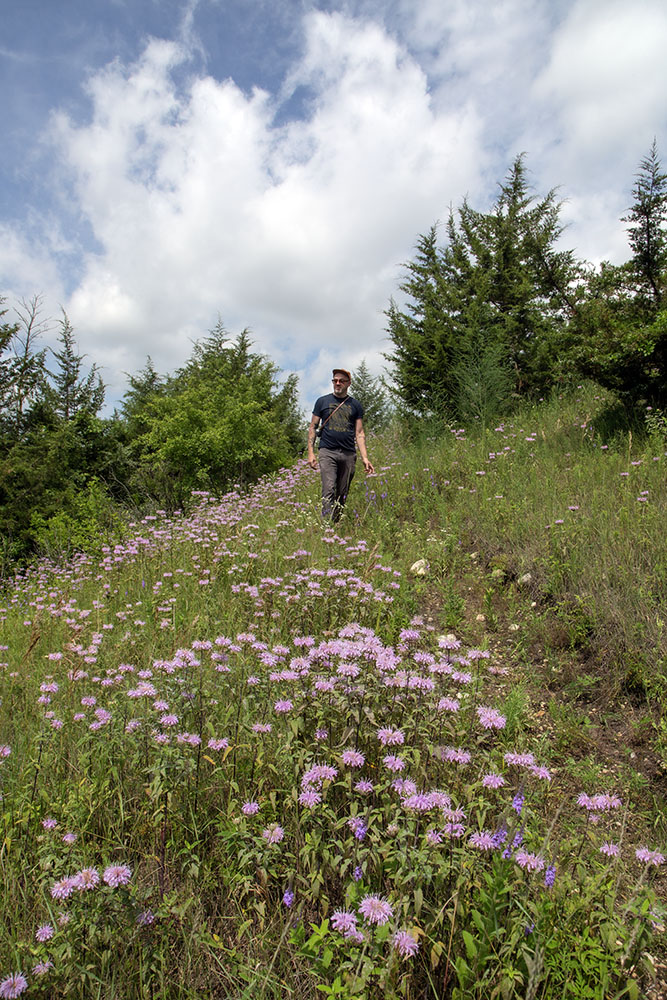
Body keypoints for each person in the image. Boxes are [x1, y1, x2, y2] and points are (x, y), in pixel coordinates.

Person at [307, 368, 375, 522]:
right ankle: (326, 526)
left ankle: (336, 523)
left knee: (342, 492)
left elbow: (359, 433)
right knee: (328, 489)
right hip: (327, 452)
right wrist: (310, 453)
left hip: (348, 454)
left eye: (341, 381)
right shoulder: (322, 401)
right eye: (335, 380)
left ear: (348, 383)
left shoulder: (355, 405)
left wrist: (365, 458)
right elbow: (313, 427)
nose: (337, 383)